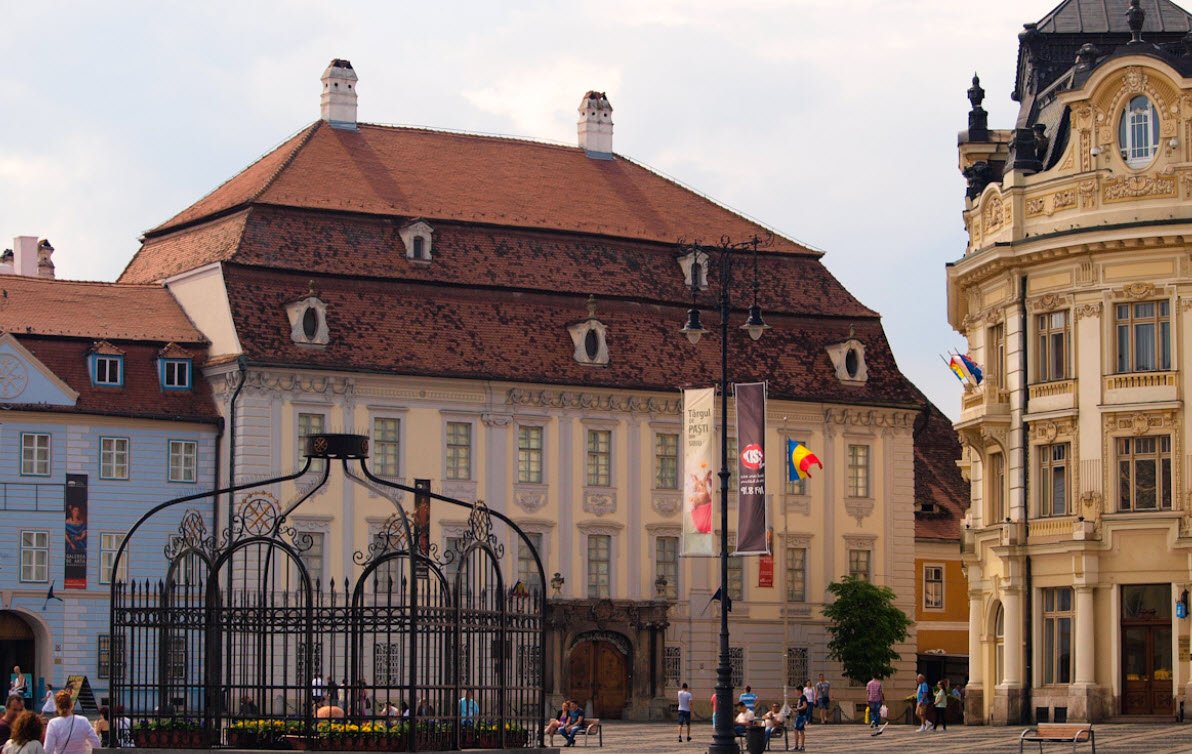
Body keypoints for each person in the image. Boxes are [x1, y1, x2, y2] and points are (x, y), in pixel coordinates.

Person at [43, 689, 100, 754]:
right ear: (71, 705)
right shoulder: (83, 721)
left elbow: (48, 750)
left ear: (57, 707)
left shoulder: (53, 723)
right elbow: (96, 743)